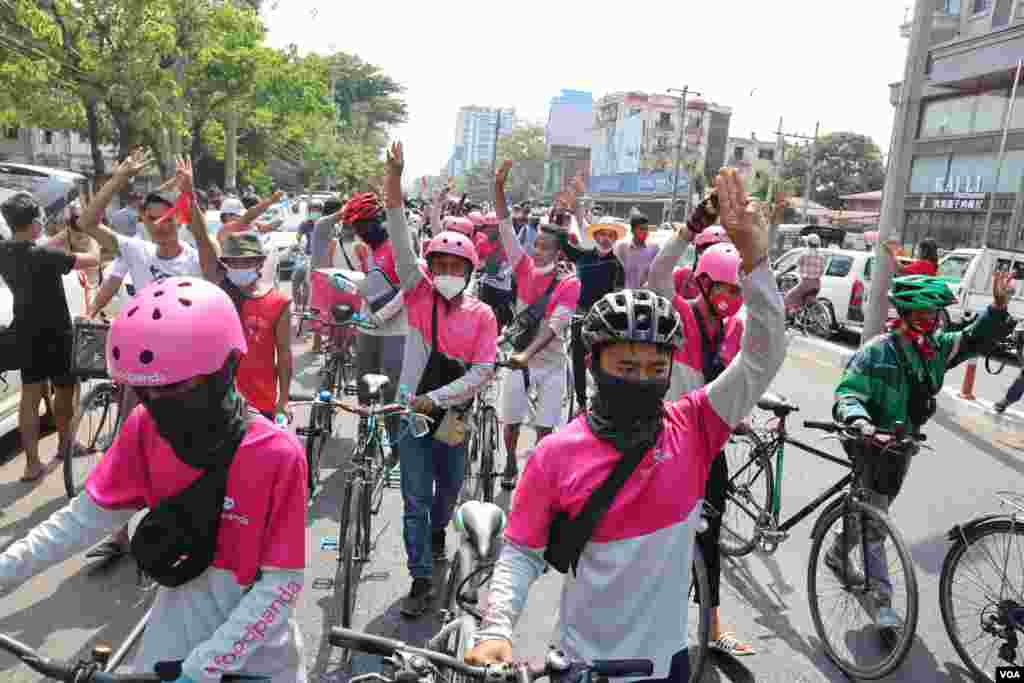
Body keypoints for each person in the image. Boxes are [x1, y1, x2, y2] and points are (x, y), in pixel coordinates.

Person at [464, 168, 787, 678]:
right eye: (626, 367)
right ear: (594, 365)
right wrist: (497, 628)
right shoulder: (556, 454)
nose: (642, 379)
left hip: (668, 666)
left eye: (657, 369)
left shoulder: (697, 426)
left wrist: (757, 263)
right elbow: (522, 552)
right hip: (576, 665)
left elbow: (761, 358)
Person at [0, 275, 308, 682]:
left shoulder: (277, 455)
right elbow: (80, 521)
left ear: (227, 366)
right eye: (147, 393)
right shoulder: (146, 427)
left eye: (176, 387)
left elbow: (280, 587)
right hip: (169, 648)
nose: (159, 405)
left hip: (257, 662)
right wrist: (5, 569)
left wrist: (203, 668)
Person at [831, 271, 1013, 628]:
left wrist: (997, 307)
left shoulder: (934, 349)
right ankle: (882, 599)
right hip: (869, 444)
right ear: (905, 312)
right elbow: (848, 394)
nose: (930, 321)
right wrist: (862, 423)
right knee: (876, 522)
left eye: (934, 315)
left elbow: (972, 338)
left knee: (870, 510)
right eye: (922, 315)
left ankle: (837, 553)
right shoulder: (876, 352)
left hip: (903, 445)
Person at [382, 142, 498, 618]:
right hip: (412, 415)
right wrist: (394, 179)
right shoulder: (417, 294)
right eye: (441, 266)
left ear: (470, 272)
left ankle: (436, 534)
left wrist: (439, 397)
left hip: (454, 419)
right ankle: (420, 578)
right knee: (413, 497)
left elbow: (483, 371)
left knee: (448, 492)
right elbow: (398, 232)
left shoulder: (483, 314)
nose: (448, 273)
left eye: (457, 268)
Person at [78, 150, 206, 560]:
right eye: (150, 217)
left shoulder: (194, 259)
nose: (157, 223)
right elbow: (87, 224)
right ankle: (119, 534)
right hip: (141, 370)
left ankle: (187, 526)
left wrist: (191, 195)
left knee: (184, 450)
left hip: (188, 373)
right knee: (128, 447)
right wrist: (117, 179)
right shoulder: (135, 250)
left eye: (165, 215)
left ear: (178, 218)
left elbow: (207, 244)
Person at [646, 221, 754, 656]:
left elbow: (737, 381)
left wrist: (739, 417)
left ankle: (711, 627)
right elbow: (657, 274)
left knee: (709, 541)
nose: (726, 300)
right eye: (720, 289)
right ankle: (649, 621)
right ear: (701, 282)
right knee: (656, 539)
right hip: (666, 444)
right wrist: (688, 230)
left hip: (709, 449)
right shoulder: (679, 313)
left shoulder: (733, 330)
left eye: (735, 292)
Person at [0, 192, 100, 482]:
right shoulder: (45, 256)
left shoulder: (6, 251)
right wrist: (91, 237)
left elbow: (43, 248)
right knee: (64, 394)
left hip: (25, 331)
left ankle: (32, 464)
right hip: (56, 333)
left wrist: (67, 234)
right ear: (33, 223)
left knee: (30, 397)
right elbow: (91, 259)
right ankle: (65, 445)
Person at [494, 161, 581, 490]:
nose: (538, 251)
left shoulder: (569, 283)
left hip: (550, 364)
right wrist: (499, 188)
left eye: (546, 248)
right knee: (512, 421)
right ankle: (510, 464)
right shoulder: (523, 266)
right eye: (537, 245)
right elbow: (504, 227)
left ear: (560, 253)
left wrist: (527, 355)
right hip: (518, 360)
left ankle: (538, 475)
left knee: (546, 429)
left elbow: (555, 327)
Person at [340, 191, 409, 467]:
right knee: (364, 389)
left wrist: (384, 314)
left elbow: (408, 288)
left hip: (396, 331)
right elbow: (370, 287)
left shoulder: (397, 248)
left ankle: (395, 446)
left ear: (378, 219)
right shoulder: (368, 252)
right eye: (355, 228)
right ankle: (365, 442)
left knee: (392, 394)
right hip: (368, 328)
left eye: (363, 226)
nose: (359, 232)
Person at [558, 213, 626, 414]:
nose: (605, 238)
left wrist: (606, 316)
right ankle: (580, 402)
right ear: (595, 237)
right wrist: (566, 213)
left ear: (614, 239)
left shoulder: (617, 266)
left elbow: (617, 296)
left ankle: (603, 399)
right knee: (578, 360)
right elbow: (564, 244)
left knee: (601, 361)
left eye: (610, 235)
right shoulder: (584, 256)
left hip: (602, 319)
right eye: (602, 234)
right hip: (579, 316)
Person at [475, 211, 516, 331]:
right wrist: (483, 266)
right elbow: (477, 263)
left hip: (503, 287)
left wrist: (505, 273)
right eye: (486, 226)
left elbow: (515, 263)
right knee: (485, 315)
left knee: (503, 317)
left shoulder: (508, 243)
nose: (487, 230)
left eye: (491, 227)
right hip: (487, 283)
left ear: (498, 228)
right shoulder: (482, 242)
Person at [613, 209, 661, 289]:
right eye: (641, 229)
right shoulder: (622, 248)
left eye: (646, 229)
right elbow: (616, 273)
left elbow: (658, 273)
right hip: (626, 296)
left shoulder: (654, 248)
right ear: (632, 230)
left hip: (647, 296)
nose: (645, 232)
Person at [783, 233, 825, 315]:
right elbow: (822, 270)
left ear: (808, 243)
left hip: (806, 283)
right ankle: (802, 314)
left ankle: (793, 313)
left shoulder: (804, 254)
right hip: (817, 284)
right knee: (805, 301)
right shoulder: (822, 255)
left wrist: (783, 272)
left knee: (788, 297)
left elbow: (793, 265)